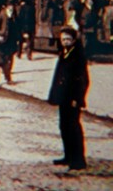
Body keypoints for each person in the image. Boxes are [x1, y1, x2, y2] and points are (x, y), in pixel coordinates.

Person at [48, 26, 90, 171]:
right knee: (64, 126)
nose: (65, 41)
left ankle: (78, 159)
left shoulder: (78, 56)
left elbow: (83, 80)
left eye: (68, 39)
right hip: (63, 97)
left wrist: (78, 98)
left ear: (73, 40)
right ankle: (68, 156)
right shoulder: (64, 53)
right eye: (63, 39)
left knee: (73, 128)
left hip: (72, 99)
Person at [0, 0, 19, 87]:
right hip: (1, 39)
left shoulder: (13, 15)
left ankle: (8, 78)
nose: (11, 8)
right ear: (7, 6)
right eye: (10, 6)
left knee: (7, 60)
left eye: (12, 6)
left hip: (10, 40)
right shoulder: (2, 14)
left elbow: (15, 27)